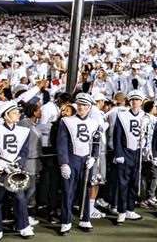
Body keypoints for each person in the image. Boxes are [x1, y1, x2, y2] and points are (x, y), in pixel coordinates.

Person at [0, 100, 34, 241]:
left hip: (15, 170)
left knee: (20, 198)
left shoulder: (24, 131)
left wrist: (17, 164)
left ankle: (23, 226)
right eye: (14, 113)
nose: (18, 115)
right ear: (6, 116)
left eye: (18, 112)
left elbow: (24, 151)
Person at [57, 93, 100, 236]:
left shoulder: (94, 122)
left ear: (89, 107)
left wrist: (94, 157)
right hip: (71, 160)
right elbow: (61, 144)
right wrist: (64, 163)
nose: (81, 107)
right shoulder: (66, 121)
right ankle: (66, 221)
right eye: (80, 104)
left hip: (86, 161)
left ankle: (85, 218)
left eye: (85, 105)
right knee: (68, 191)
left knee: (85, 191)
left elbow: (96, 143)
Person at [113, 90, 145, 225]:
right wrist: (118, 153)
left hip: (139, 152)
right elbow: (117, 136)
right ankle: (121, 211)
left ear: (141, 102)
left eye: (137, 100)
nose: (135, 102)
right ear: (129, 102)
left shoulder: (146, 116)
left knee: (134, 182)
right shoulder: (121, 116)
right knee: (123, 183)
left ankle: (130, 209)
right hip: (126, 152)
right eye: (132, 100)